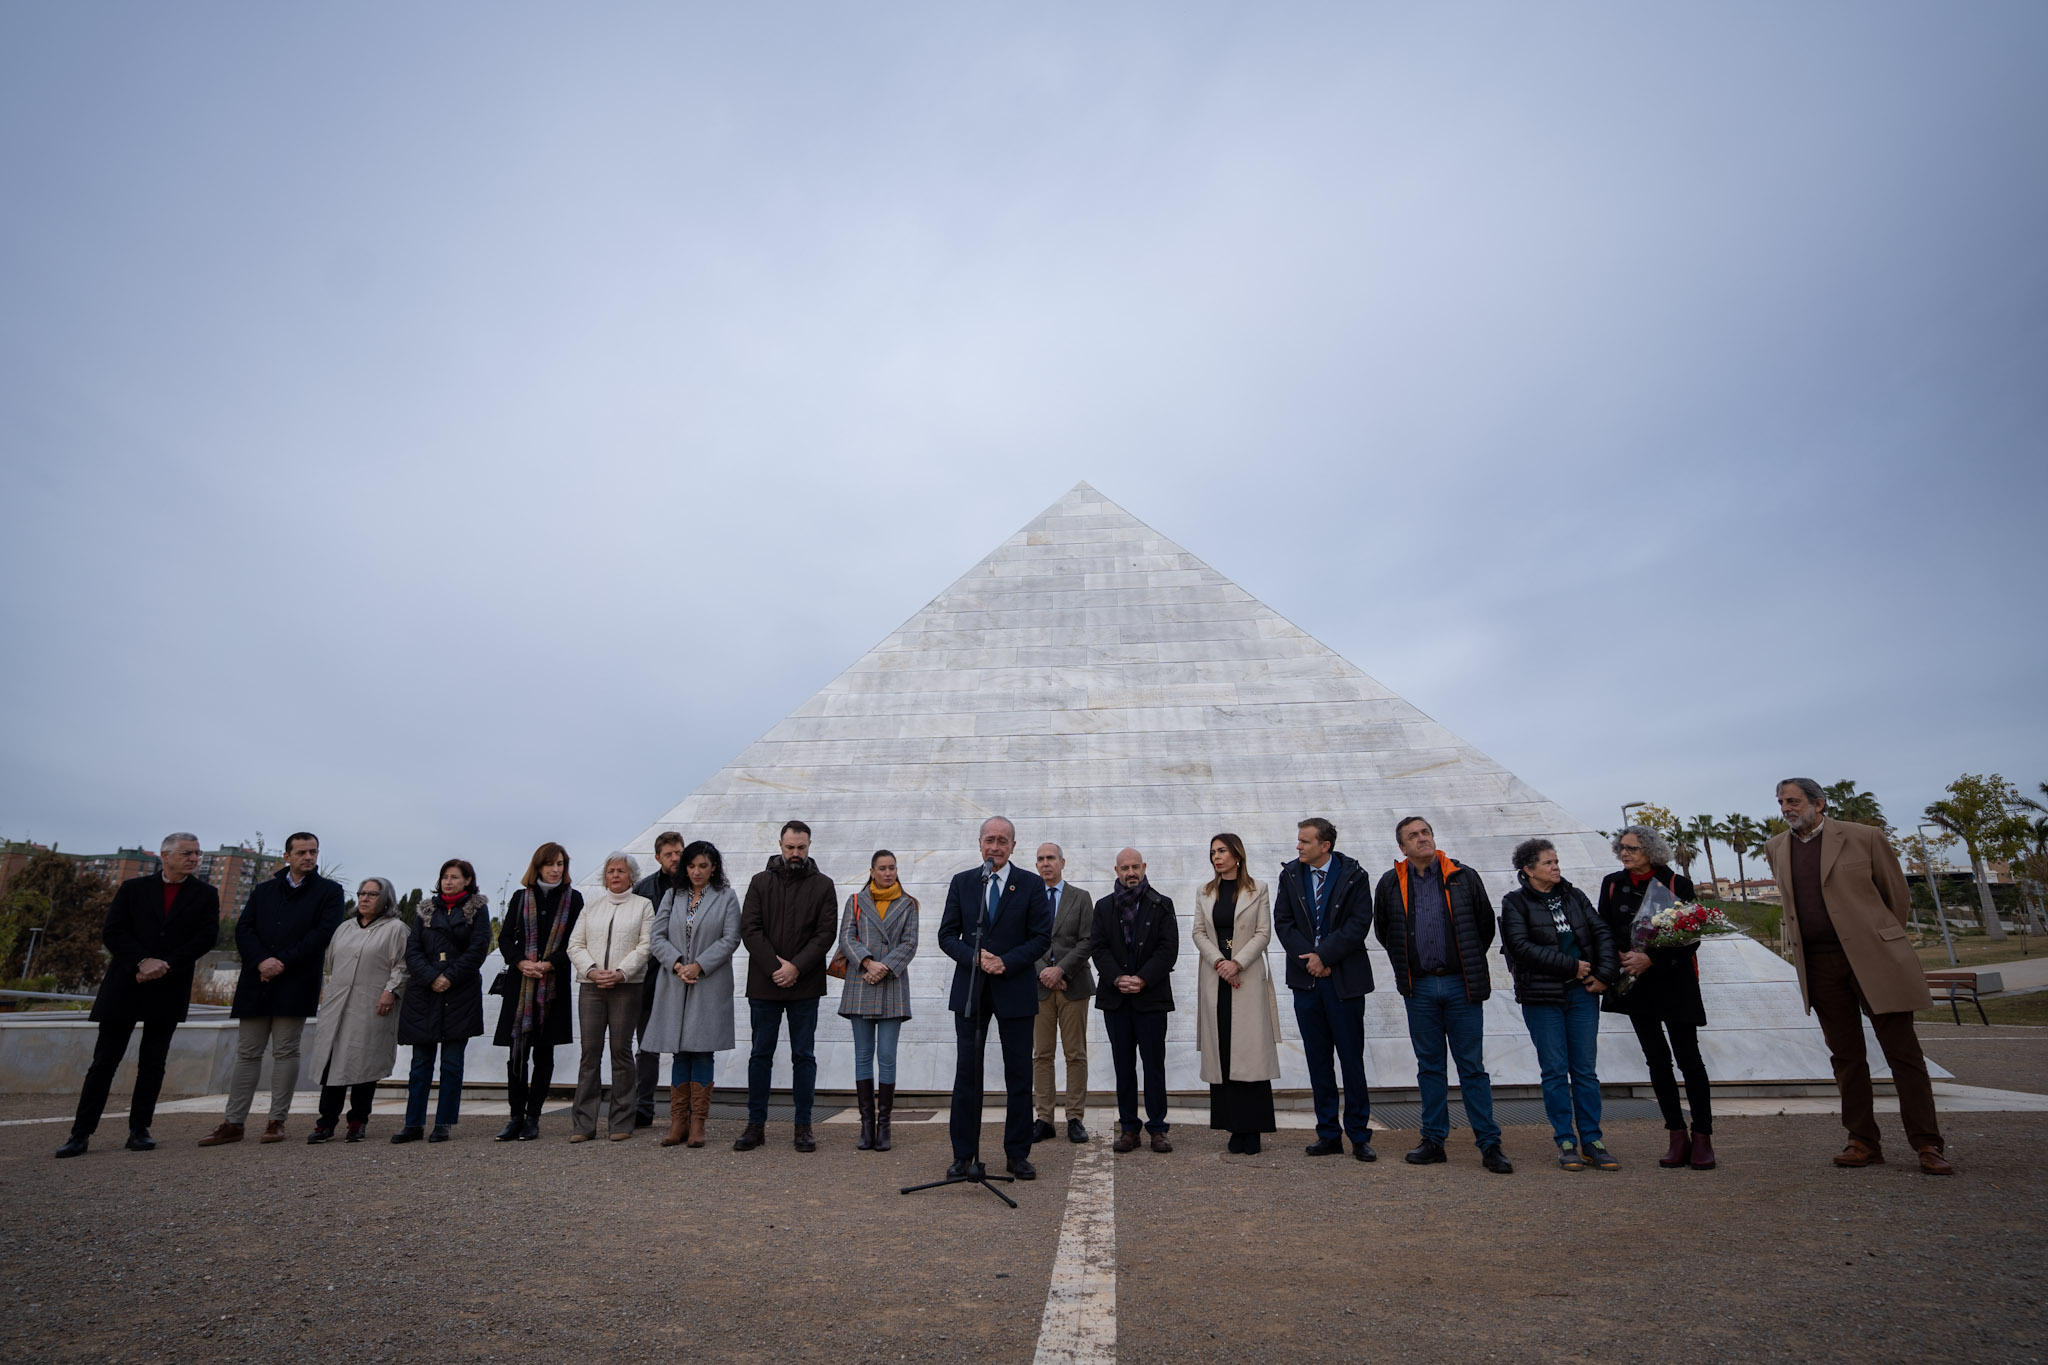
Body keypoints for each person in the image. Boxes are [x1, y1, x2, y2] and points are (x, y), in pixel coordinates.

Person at [1763, 778, 1949, 1175]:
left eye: (1793, 801)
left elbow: (1895, 895)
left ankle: (1927, 1144)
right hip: (1820, 966)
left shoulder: (1865, 837)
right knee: (1846, 1057)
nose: (1786, 808)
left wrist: (1880, 943)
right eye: (1781, 802)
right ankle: (1862, 1141)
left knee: (1904, 1053)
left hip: (1874, 961)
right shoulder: (1776, 848)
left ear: (1819, 803)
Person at [56, 833, 221, 1158]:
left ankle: (139, 1130)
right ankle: (80, 1133)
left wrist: (166, 964)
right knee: (104, 1062)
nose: (194, 859)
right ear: (165, 855)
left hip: (169, 987)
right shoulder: (133, 889)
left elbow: (206, 937)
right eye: (188, 853)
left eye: (198, 854)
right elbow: (113, 931)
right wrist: (142, 961)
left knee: (153, 1063)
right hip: (126, 984)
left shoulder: (206, 894)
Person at [1372, 817, 1513, 1174]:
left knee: (1472, 1068)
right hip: (1419, 988)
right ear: (1402, 848)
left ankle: (1489, 1144)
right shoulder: (1390, 883)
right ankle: (1433, 1140)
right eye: (1413, 836)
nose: (1422, 839)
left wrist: (1463, 960)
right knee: (1430, 1068)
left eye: (1426, 833)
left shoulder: (1463, 876)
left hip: (1460, 984)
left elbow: (1484, 926)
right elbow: (1384, 931)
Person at [199, 832, 345, 1147]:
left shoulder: (329, 892)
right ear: (287, 856)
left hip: (296, 981)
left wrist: (281, 963)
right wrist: (262, 961)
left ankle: (276, 1121)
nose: (309, 857)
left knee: (286, 1051)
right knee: (247, 1052)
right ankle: (233, 1122)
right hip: (257, 980)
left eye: (314, 852)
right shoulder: (264, 891)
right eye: (302, 852)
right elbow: (244, 928)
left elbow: (322, 934)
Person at [937, 816, 1053, 1180]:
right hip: (971, 990)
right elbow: (946, 935)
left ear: (1013, 847)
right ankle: (964, 1154)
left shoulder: (1031, 884)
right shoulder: (964, 882)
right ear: (979, 843)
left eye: (1003, 841)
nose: (995, 847)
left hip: (1015, 989)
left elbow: (1041, 938)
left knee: (1018, 1075)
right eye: (990, 840)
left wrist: (1006, 961)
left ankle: (1017, 1154)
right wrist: (975, 957)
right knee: (967, 1074)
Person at [1597, 825, 1712, 1170]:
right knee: (1656, 1061)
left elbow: (1692, 937)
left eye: (1632, 848)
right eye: (1622, 848)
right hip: (1635, 983)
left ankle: (1703, 1137)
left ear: (1651, 851)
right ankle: (1676, 1135)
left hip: (1674, 982)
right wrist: (1620, 956)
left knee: (1689, 1060)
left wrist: (1653, 959)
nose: (1625, 853)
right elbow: (1603, 926)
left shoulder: (1678, 884)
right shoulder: (1613, 883)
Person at [1501, 838, 1618, 1171]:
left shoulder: (1574, 896)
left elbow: (1602, 935)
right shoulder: (1515, 903)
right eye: (1548, 863)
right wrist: (1571, 966)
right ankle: (1566, 1141)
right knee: (1554, 1071)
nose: (1556, 867)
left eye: (1556, 861)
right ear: (1528, 869)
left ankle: (1593, 1141)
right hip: (1542, 998)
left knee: (1585, 1071)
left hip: (1582, 994)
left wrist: (1605, 975)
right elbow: (1520, 947)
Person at [1271, 817, 1378, 1161]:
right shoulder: (1290, 875)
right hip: (1307, 982)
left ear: (1324, 846)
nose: (1298, 846)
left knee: (1351, 1059)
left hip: (1345, 981)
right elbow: (1283, 923)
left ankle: (1360, 1136)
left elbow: (1359, 923)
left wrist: (1325, 954)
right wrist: (1309, 960)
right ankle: (1328, 1133)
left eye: (1304, 841)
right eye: (1298, 840)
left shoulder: (1354, 875)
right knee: (1318, 1061)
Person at [735, 820, 838, 1152]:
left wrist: (796, 966)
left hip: (804, 984)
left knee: (803, 1056)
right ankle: (755, 1126)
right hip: (765, 984)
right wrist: (775, 967)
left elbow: (825, 933)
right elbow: (749, 929)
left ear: (810, 846)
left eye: (801, 847)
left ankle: (803, 1127)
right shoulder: (759, 882)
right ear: (780, 845)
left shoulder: (823, 885)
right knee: (760, 1055)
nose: (795, 853)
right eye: (790, 847)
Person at [646, 840, 743, 1147]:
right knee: (679, 1051)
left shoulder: (726, 896)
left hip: (708, 982)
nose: (697, 871)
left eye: (703, 866)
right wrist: (677, 964)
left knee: (702, 1050)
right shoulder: (672, 896)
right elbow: (656, 936)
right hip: (675, 981)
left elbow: (731, 938)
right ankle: (677, 1123)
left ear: (714, 867)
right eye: (691, 866)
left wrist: (699, 966)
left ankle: (698, 1123)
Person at [392, 860, 492, 1143]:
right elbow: (413, 950)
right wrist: (431, 977)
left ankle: (444, 1122)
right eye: (445, 877)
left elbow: (478, 949)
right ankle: (413, 1124)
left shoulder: (477, 910)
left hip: (460, 994)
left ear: (468, 880)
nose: (448, 882)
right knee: (420, 1064)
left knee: (451, 1063)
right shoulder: (426, 910)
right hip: (424, 993)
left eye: (455, 877)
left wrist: (449, 976)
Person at [1191, 833, 1278, 1154]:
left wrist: (1237, 963)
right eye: (1212, 851)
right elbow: (1198, 932)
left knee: (1249, 1054)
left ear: (1237, 855)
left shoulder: (1259, 889)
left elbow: (1263, 932)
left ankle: (1251, 1128)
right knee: (1224, 1050)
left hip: (1246, 977)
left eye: (1222, 851)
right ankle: (1232, 1126)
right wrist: (1218, 961)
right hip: (1216, 979)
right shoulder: (1205, 891)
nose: (1216, 856)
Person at [303, 877, 409, 1144]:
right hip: (338, 1004)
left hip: (371, 1005)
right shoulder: (345, 928)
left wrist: (390, 991)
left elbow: (403, 965)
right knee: (332, 1064)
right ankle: (325, 1123)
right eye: (362, 893)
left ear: (385, 898)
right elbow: (331, 964)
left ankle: (357, 1121)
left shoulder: (396, 929)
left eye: (372, 894)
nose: (364, 898)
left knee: (364, 1065)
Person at [1091, 847, 1179, 1154]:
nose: (1131, 872)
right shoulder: (1103, 907)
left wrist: (1142, 978)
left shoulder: (1161, 904)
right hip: (1117, 1000)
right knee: (1123, 1065)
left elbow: (1168, 949)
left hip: (1151, 998)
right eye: (1124, 867)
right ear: (1116, 870)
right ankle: (1129, 1127)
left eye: (1135, 867)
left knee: (1154, 1064)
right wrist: (1118, 978)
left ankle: (1158, 1128)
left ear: (1144, 867)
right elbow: (1098, 948)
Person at [492, 842, 582, 1142]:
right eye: (550, 864)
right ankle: (515, 1116)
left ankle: (533, 1118)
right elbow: (505, 938)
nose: (556, 870)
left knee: (545, 1054)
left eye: (561, 864)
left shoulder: (574, 899)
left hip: (552, 987)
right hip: (521, 988)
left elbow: (574, 942)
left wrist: (547, 964)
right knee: (517, 1053)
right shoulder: (520, 898)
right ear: (538, 866)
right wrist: (519, 962)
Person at [567, 853, 654, 1142]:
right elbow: (575, 945)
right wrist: (592, 971)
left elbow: (646, 946)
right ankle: (583, 1125)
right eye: (611, 871)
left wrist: (620, 972)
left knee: (621, 1051)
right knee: (589, 1054)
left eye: (621, 871)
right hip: (591, 987)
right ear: (604, 877)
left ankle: (621, 1122)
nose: (616, 875)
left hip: (626, 987)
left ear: (632, 876)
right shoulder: (591, 908)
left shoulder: (644, 906)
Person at [836, 849, 920, 1151]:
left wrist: (883, 968)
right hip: (861, 982)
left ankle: (884, 1126)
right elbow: (846, 937)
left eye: (892, 868)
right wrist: (868, 963)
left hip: (891, 986)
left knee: (886, 1057)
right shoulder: (856, 902)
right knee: (862, 1056)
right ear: (871, 871)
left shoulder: (908, 904)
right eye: (882, 868)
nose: (888, 873)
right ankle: (866, 1126)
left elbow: (911, 943)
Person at [1030, 842, 1096, 1146]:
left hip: (1074, 986)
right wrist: (1045, 970)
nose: (1046, 864)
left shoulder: (1080, 898)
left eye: (1051, 858)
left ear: (1062, 862)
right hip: (1038, 986)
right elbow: (1024, 939)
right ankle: (1043, 1118)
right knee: (1042, 1054)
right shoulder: (1029, 897)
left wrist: (1061, 971)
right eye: (1041, 859)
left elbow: (1087, 941)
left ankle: (1074, 1117)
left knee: (1075, 1054)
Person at [631, 831, 688, 1128]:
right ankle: (643, 1107)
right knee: (647, 1047)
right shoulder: (642, 889)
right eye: (669, 854)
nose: (675, 858)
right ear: (658, 857)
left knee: (686, 1045)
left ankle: (685, 1110)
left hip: (685, 976)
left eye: (679, 852)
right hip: (650, 977)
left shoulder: (695, 885)